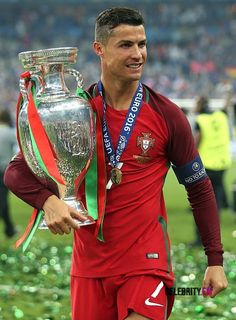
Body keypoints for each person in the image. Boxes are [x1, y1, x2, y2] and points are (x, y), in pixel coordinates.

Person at [4, 7, 228, 320]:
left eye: (142, 44)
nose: (138, 54)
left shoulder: (166, 115)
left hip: (146, 264)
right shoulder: (73, 114)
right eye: (126, 45)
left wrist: (215, 260)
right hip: (89, 269)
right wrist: (48, 201)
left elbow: (199, 188)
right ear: (100, 49)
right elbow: (16, 173)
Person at [0, 109, 17, 237]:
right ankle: (9, 230)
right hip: (3, 170)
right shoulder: (10, 133)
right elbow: (17, 151)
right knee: (3, 200)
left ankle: (9, 229)